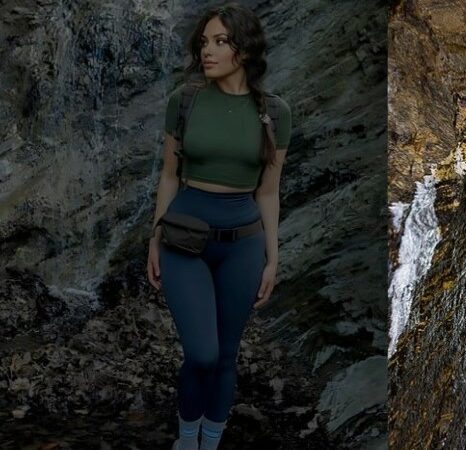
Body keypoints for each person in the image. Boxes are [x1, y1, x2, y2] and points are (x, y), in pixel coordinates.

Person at [144, 3, 292, 450]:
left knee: (226, 355)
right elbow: (169, 176)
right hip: (183, 239)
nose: (207, 51)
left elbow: (268, 191)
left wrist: (272, 257)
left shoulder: (274, 112)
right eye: (204, 42)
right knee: (202, 353)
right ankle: (186, 440)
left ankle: (211, 442)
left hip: (243, 245)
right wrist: (154, 238)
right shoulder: (184, 101)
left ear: (243, 50)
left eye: (220, 41)